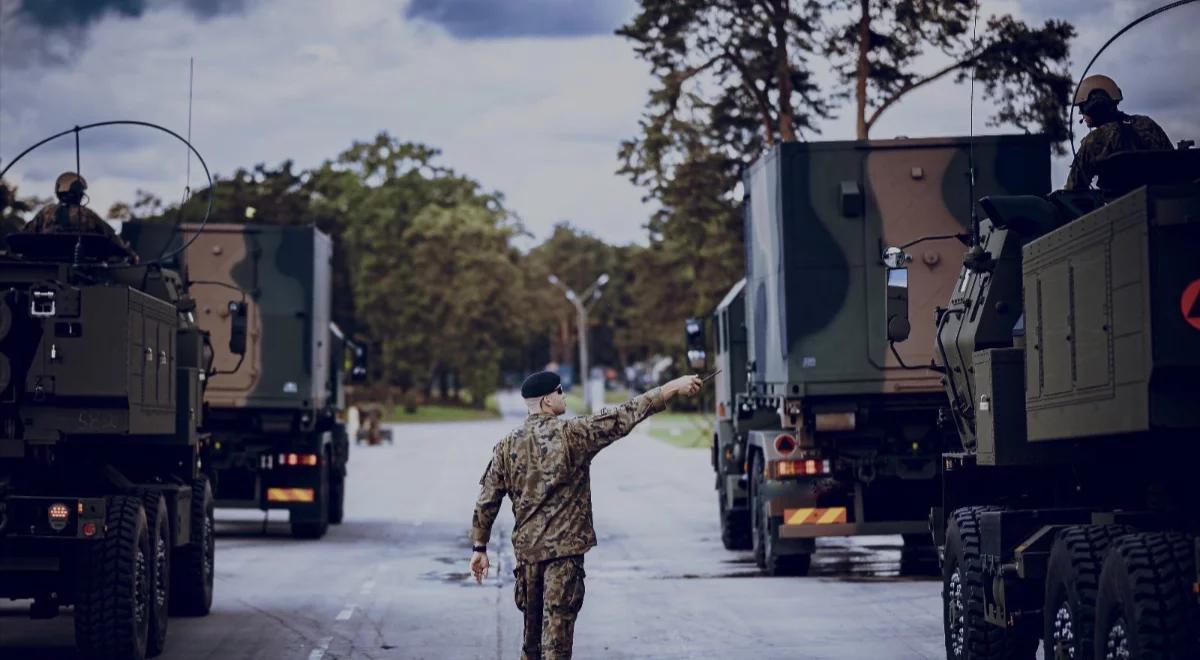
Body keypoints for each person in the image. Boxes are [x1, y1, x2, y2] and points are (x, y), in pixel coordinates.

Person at [469, 371, 703, 659]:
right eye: (559, 391)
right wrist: (672, 388)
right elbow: (623, 416)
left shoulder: (506, 446)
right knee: (556, 644)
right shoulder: (573, 435)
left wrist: (480, 547)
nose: (563, 395)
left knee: (530, 647)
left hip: (527, 557)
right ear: (545, 401)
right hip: (564, 559)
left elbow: (487, 499)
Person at [1066, 74, 1173, 191]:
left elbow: (1073, 189)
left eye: (1082, 108)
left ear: (1091, 108)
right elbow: (1173, 161)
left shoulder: (1094, 141)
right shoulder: (1147, 124)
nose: (1081, 114)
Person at [22, 172, 139, 261]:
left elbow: (25, 235)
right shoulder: (88, 215)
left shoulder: (46, 212)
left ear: (58, 192)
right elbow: (111, 236)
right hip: (84, 268)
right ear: (80, 194)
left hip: (45, 266)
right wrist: (130, 254)